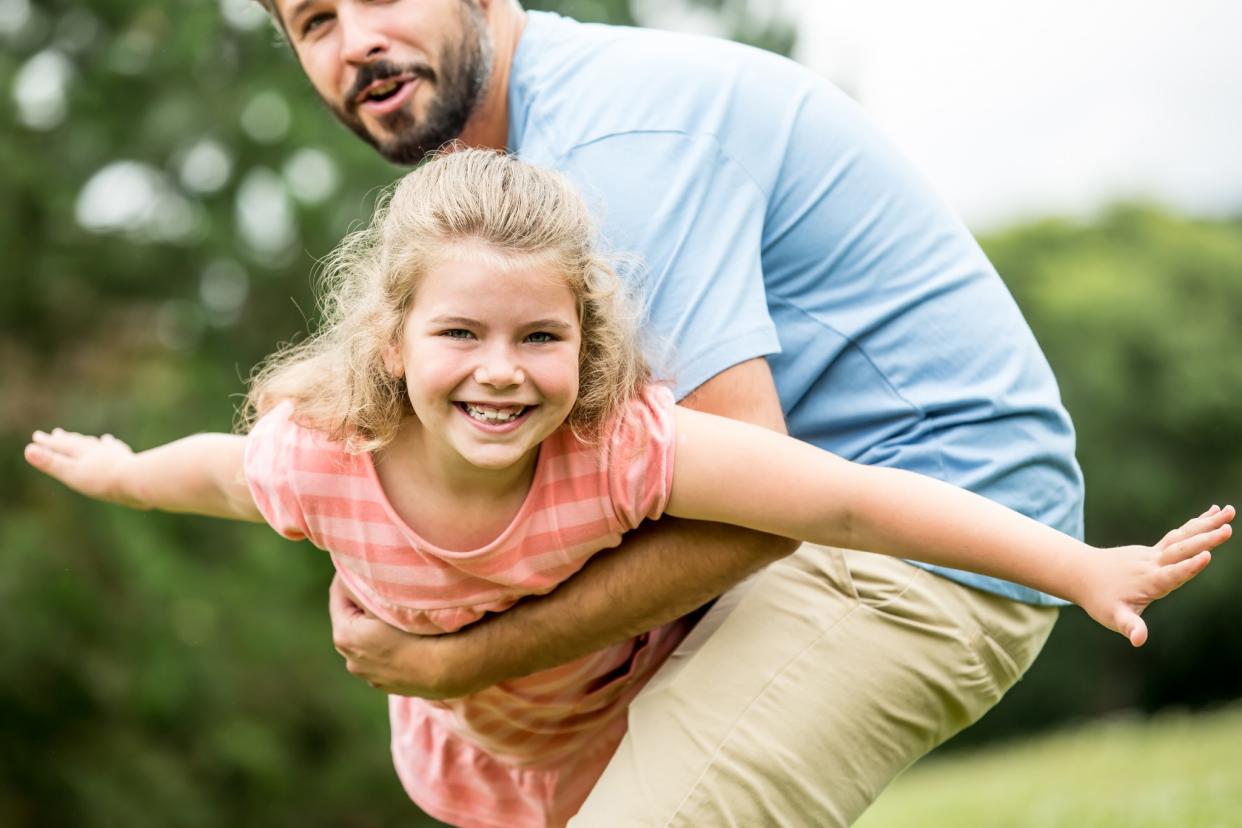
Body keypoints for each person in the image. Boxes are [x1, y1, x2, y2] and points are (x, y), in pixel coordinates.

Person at [24, 149, 1234, 828]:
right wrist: (122, 473)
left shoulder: (623, 450)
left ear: (588, 344)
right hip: (475, 758)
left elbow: (851, 503)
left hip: (627, 726)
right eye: (462, 335)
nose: (502, 374)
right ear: (390, 344)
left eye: (540, 339)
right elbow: (219, 474)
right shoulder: (325, 458)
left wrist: (1077, 565)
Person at [253, 1, 1100, 824]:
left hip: (917, 531)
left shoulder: (609, 148)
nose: (357, 40)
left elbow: (752, 519)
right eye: (315, 21)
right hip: (810, 530)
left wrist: (460, 658)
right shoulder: (515, 179)